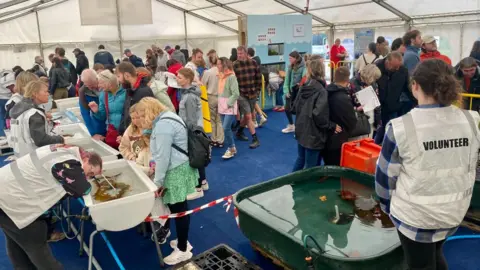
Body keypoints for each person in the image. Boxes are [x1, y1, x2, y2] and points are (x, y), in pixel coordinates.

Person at [375, 59, 480, 270]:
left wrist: (387, 207)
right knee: (435, 254)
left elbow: (385, 179)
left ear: (415, 86)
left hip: (415, 218)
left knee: (420, 264)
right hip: (453, 212)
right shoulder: (472, 120)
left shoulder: (400, 128)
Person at [0, 145, 102, 270]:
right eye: (90, 172)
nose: (88, 176)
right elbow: (83, 189)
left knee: (15, 242)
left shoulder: (61, 151)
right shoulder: (68, 163)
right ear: (85, 159)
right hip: (15, 205)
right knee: (37, 247)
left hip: (5, 197)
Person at [134, 97, 196, 265]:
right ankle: (184, 242)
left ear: (148, 112)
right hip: (180, 167)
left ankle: (183, 250)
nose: (139, 119)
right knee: (180, 208)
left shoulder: (162, 126)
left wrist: (158, 183)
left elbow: (162, 158)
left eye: (140, 115)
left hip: (174, 171)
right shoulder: (168, 116)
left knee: (179, 210)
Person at [9, 80, 68, 157]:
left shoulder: (20, 109)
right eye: (45, 91)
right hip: (33, 156)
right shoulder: (33, 114)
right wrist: (61, 139)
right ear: (35, 93)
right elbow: (41, 140)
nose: (48, 94)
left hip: (20, 154)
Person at [292, 56, 329, 171]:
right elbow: (319, 115)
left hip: (301, 129)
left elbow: (295, 107)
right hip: (314, 134)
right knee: (310, 167)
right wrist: (328, 126)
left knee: (300, 159)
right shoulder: (322, 91)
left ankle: (290, 183)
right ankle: (306, 188)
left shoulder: (304, 86)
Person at [176, 68, 208, 200]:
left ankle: (197, 188)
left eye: (179, 77)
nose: (177, 79)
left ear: (188, 79)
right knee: (198, 155)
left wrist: (187, 133)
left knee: (194, 157)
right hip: (195, 130)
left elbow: (190, 119)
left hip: (192, 131)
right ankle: (203, 182)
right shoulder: (188, 93)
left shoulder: (189, 96)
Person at [375, 52, 412, 144]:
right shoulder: (377, 67)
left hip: (393, 107)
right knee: (379, 131)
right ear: (387, 62)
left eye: (399, 66)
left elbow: (408, 88)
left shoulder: (403, 71)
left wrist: (416, 102)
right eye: (395, 67)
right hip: (379, 108)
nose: (397, 69)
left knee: (392, 133)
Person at [323, 67, 357, 166]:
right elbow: (351, 121)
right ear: (347, 80)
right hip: (338, 138)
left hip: (326, 134)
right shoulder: (342, 97)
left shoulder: (325, 91)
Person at [233, 46, 261, 149]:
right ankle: (255, 139)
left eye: (240, 53)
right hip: (241, 94)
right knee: (249, 116)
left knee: (246, 116)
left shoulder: (253, 63)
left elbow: (258, 78)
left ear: (245, 53)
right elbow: (232, 81)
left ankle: (239, 132)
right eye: (238, 53)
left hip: (253, 93)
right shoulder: (235, 65)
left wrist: (257, 91)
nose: (239, 55)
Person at [89, 70, 126, 146]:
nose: (98, 86)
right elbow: (102, 117)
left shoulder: (126, 91)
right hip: (113, 131)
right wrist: (96, 112)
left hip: (126, 131)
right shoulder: (103, 95)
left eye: (100, 83)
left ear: (108, 82)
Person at [116, 62, 154, 137]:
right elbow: (125, 112)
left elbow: (147, 119)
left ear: (127, 75)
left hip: (138, 137)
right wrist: (122, 133)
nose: (118, 80)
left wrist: (132, 137)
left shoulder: (143, 91)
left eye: (118, 76)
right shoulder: (130, 90)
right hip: (130, 134)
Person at [350, 64, 382, 138]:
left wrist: (378, 120)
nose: (375, 80)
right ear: (370, 76)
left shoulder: (373, 84)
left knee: (367, 142)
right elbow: (348, 104)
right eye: (374, 78)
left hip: (370, 119)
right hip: (358, 120)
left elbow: (377, 103)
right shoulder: (352, 83)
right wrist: (356, 108)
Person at [217, 57, 239, 159]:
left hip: (228, 107)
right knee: (226, 128)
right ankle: (232, 148)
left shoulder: (231, 77)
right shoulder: (221, 76)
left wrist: (227, 104)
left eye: (219, 64)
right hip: (222, 106)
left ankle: (231, 148)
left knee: (226, 128)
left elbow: (236, 94)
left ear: (224, 65)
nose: (217, 66)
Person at [202, 54, 224, 147]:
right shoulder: (222, 72)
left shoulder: (207, 72)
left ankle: (214, 139)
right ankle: (220, 140)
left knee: (212, 119)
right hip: (221, 96)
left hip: (211, 97)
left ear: (210, 62)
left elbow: (202, 84)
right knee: (219, 119)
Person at [282, 51, 306, 134]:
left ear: (296, 58)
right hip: (291, 90)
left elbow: (304, 77)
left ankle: (299, 129)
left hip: (299, 91)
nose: (289, 59)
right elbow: (287, 80)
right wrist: (286, 91)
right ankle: (291, 125)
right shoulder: (290, 66)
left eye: (290, 58)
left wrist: (300, 85)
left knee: (299, 110)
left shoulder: (304, 66)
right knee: (287, 108)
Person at [78, 69, 106, 138]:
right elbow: (85, 115)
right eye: (87, 86)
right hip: (98, 129)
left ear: (97, 79)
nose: (90, 88)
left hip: (111, 128)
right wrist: (93, 133)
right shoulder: (83, 94)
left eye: (92, 85)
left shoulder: (106, 87)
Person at [0, 70, 15, 136]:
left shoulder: (1, 80)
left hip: (1, 98)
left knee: (2, 116)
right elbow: (12, 89)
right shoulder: (10, 78)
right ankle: (8, 131)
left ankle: (2, 133)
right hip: (8, 99)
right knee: (8, 116)